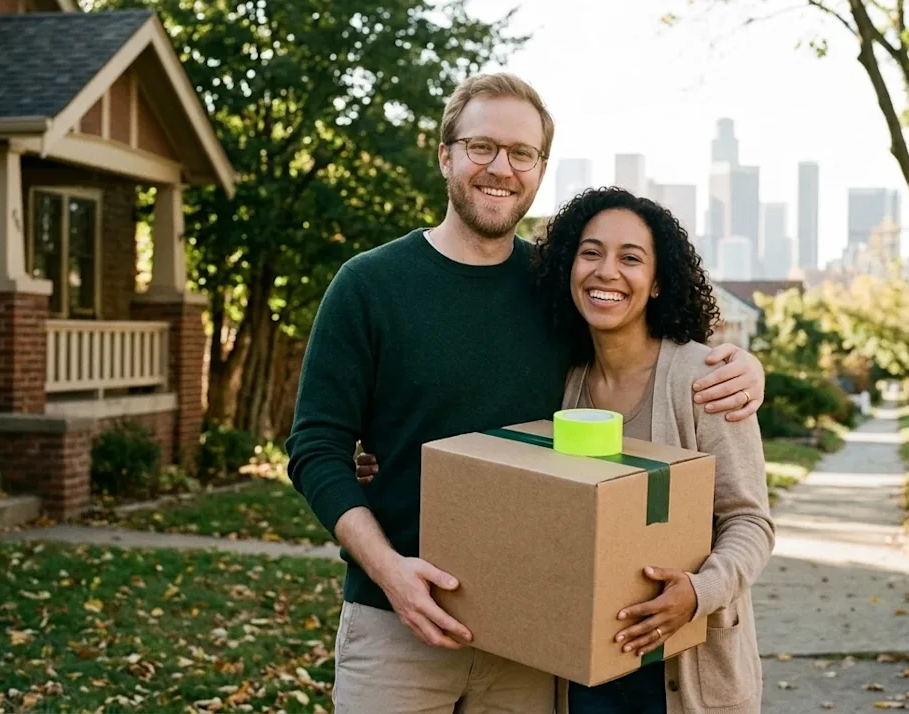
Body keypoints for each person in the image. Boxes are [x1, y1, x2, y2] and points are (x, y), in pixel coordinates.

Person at [286, 72, 767, 713]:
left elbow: (639, 331)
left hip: (535, 641)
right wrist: (389, 572)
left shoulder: (553, 291)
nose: (500, 169)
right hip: (398, 623)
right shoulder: (369, 285)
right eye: (482, 147)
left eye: (522, 154)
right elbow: (316, 447)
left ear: (540, 169)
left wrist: (743, 366)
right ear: (446, 154)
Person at [532, 186, 775, 714]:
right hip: (584, 675)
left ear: (659, 282)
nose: (606, 271)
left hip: (686, 672)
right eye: (591, 252)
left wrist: (699, 592)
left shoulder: (704, 380)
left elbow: (750, 521)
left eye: (631, 258)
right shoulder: (563, 384)